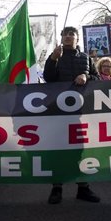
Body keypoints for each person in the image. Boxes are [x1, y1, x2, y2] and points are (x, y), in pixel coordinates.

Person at [43, 26, 101, 204]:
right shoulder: (54, 56)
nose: (68, 37)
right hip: (59, 112)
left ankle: (83, 188)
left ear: (77, 39)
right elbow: (48, 78)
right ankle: (57, 188)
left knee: (79, 151)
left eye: (71, 34)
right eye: (65, 34)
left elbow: (97, 79)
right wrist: (53, 60)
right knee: (58, 151)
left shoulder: (86, 58)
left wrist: (86, 75)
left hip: (80, 112)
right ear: (61, 38)